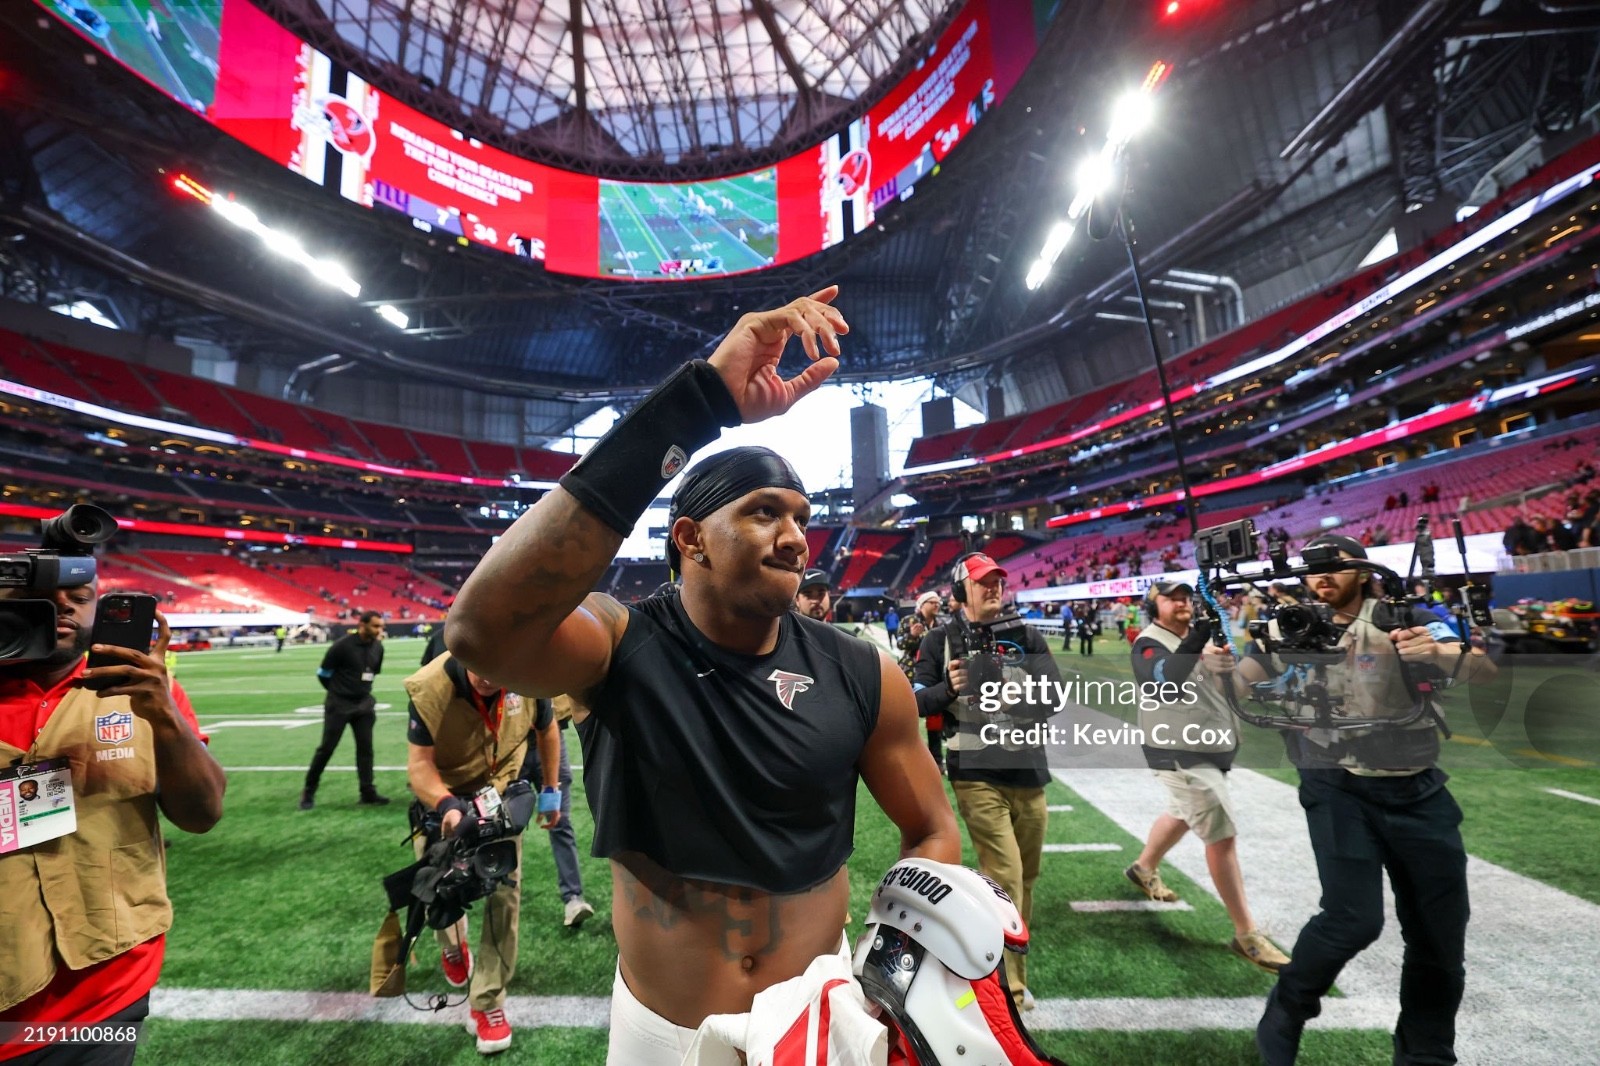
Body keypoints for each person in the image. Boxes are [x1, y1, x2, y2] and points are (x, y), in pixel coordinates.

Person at [445, 286, 961, 1063]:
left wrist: (889, 966)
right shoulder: (620, 644)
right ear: (690, 538)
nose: (795, 539)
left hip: (820, 1027)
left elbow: (933, 829)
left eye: (801, 518)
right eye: (762, 512)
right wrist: (701, 401)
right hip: (663, 1035)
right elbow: (482, 631)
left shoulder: (862, 669)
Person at [1205, 534, 1497, 1066]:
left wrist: (1434, 651)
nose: (1321, 577)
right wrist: (1223, 672)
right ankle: (1288, 1008)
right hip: (1334, 781)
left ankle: (1426, 1054)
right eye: (1311, 569)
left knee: (1439, 938)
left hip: (1415, 783)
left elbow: (1481, 668)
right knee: (1353, 917)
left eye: (1334, 566)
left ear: (1362, 571)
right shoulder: (1288, 623)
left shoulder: (1403, 614)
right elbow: (1245, 681)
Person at [0, 582, 225, 1063]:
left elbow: (202, 814)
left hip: (107, 991)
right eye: (41, 591)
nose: (64, 605)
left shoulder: (143, 690)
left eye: (80, 596)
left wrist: (163, 712)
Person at [912, 551, 1063, 1011]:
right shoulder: (940, 639)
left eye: (998, 580)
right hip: (976, 773)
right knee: (1007, 875)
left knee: (1027, 879)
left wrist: (1016, 691)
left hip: (1028, 769)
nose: (994, 588)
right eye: (983, 582)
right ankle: (1010, 988)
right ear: (961, 592)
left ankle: (1001, 964)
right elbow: (917, 700)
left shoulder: (1027, 635)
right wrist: (951, 690)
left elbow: (1054, 698)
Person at [403, 651, 563, 1054]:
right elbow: (419, 765)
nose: (489, 679)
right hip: (444, 804)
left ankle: (488, 1001)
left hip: (500, 800)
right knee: (441, 893)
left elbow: (547, 729)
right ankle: (452, 946)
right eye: (482, 669)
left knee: (503, 900)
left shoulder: (529, 673)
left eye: (499, 670)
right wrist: (445, 805)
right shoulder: (428, 688)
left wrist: (549, 790)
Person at [1124, 581, 1288, 973]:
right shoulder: (1149, 642)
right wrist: (1200, 637)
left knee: (1182, 812)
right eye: (1170, 597)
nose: (1181, 602)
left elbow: (1232, 692)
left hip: (1204, 746)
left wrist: (1255, 657)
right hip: (1180, 750)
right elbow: (1163, 680)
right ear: (1154, 606)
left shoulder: (1203, 641)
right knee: (1221, 834)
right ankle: (1245, 932)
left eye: (1185, 596)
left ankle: (1142, 868)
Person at [301, 611, 390, 809]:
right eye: (375, 626)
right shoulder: (342, 646)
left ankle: (367, 792)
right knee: (326, 748)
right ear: (362, 625)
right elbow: (323, 673)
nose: (379, 630)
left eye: (381, 626)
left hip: (364, 705)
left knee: (365, 749)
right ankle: (308, 791)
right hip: (339, 704)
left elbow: (373, 673)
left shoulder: (378, 647)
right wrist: (338, 692)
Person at [522, 695, 597, 929]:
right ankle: (501, 893)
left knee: (560, 822)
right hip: (509, 748)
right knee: (504, 827)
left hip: (550, 738)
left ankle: (573, 899)